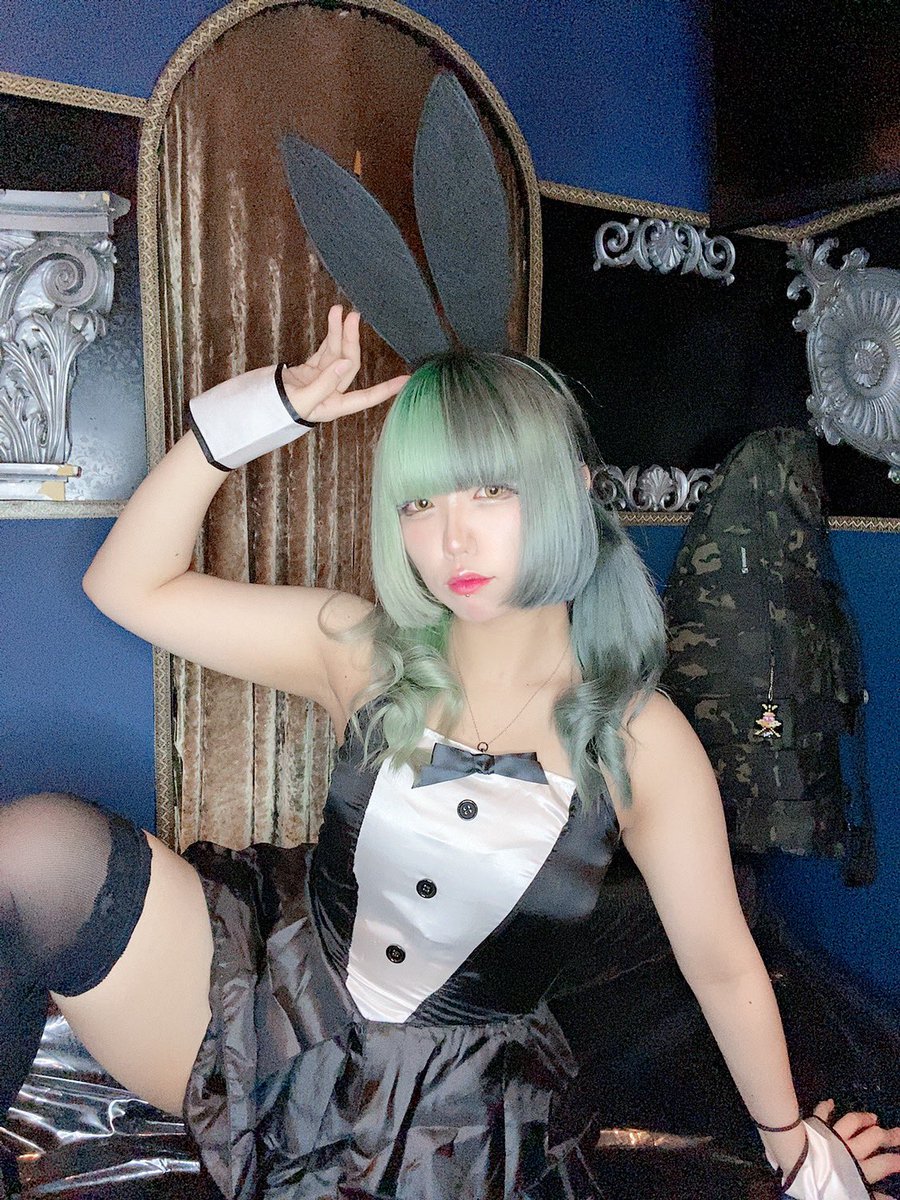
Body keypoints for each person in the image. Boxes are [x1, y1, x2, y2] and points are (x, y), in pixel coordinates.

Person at [1, 307, 898, 1200]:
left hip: (444, 1123)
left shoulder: (638, 738)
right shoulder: (363, 652)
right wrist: (266, 413)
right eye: (420, 503)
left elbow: (722, 964)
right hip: (272, 1023)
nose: (451, 538)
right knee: (35, 854)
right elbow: (125, 583)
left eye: (490, 492)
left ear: (573, 488)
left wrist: (795, 1150)